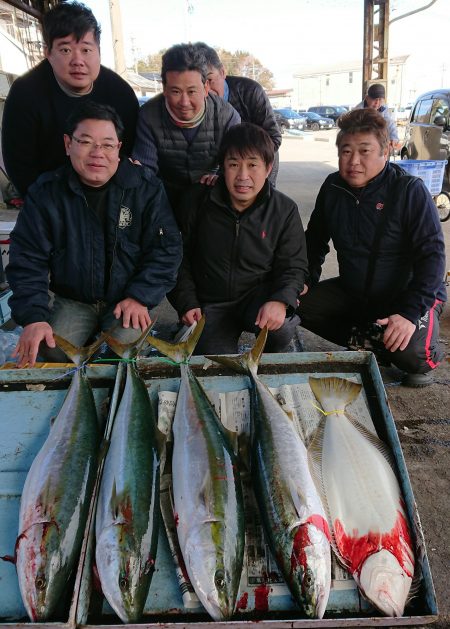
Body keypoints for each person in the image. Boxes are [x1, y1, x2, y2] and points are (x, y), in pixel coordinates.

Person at [6, 102, 182, 368]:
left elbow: (166, 249)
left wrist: (140, 296)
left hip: (127, 299)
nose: (97, 153)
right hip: (73, 300)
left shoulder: (145, 188)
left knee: (126, 357)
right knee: (52, 353)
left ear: (119, 149)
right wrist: (33, 317)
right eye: (86, 142)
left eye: (108, 144)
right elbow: (27, 258)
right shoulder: (47, 193)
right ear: (68, 144)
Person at [299, 108, 447, 387]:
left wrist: (408, 313)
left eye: (364, 151)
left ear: (385, 152)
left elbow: (433, 257)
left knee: (412, 357)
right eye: (345, 151)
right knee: (294, 305)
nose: (353, 161)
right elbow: (315, 241)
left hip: (409, 295)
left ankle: (420, 345)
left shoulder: (408, 190)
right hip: (356, 291)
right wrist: (304, 279)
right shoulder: (333, 187)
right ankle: (368, 340)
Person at [168, 122, 308, 355]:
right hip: (210, 304)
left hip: (257, 298)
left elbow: (294, 265)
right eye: (234, 164)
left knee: (281, 327)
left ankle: (272, 354)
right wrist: (187, 302)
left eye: (253, 165)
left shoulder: (284, 209)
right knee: (216, 367)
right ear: (222, 166)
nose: (243, 176)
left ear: (268, 167)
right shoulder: (196, 201)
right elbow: (176, 256)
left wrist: (281, 301)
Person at [1, 1, 139, 197]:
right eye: (65, 50)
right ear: (48, 53)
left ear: (99, 51)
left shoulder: (120, 93)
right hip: (49, 197)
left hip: (108, 196)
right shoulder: (25, 93)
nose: (78, 61)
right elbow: (20, 167)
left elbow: (128, 154)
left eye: (86, 50)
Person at [132, 43, 240, 222]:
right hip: (164, 195)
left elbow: (236, 164)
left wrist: (220, 177)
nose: (184, 102)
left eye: (192, 91)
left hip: (211, 192)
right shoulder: (148, 115)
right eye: (175, 91)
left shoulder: (227, 116)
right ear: (164, 89)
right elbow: (145, 170)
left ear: (206, 88)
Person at [193, 42, 282, 185]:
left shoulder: (251, 91)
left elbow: (274, 137)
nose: (206, 90)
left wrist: (247, 165)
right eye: (199, 82)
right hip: (222, 169)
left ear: (222, 72)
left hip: (259, 164)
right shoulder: (192, 102)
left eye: (210, 79)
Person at [353, 83, 401, 151]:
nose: (377, 103)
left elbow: (390, 123)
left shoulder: (383, 107)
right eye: (374, 99)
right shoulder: (357, 112)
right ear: (367, 98)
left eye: (380, 100)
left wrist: (393, 137)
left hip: (379, 145)